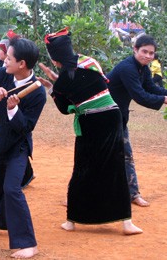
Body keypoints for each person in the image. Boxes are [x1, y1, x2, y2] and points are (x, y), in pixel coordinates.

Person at [38, 28, 142, 236]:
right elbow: (95, 85)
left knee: (83, 170)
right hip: (112, 117)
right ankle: (126, 222)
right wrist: (59, 85)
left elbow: (64, 108)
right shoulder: (90, 62)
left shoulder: (63, 81)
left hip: (90, 122)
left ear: (55, 58)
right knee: (115, 167)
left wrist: (52, 87)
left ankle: (72, 221)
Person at [0, 37, 46, 259]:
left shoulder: (37, 93)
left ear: (21, 63)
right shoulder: (4, 74)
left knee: (12, 189)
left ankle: (28, 243)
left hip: (17, 146)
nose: (4, 61)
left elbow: (25, 128)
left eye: (8, 58)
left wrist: (13, 109)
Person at [107, 35, 167, 207]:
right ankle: (75, 197)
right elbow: (140, 96)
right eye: (144, 51)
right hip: (102, 118)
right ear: (135, 50)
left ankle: (133, 194)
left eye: (151, 53)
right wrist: (165, 100)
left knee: (126, 156)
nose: (148, 56)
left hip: (118, 117)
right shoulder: (127, 68)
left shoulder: (143, 68)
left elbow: (150, 87)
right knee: (96, 158)